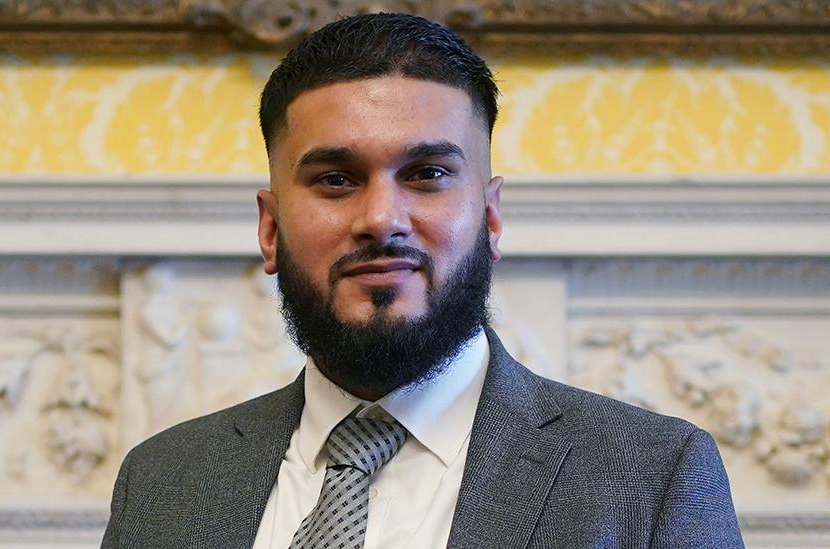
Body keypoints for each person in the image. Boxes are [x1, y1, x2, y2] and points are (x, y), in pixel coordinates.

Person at [101, 13, 743, 549]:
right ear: (270, 229)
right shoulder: (161, 485)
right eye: (335, 180)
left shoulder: (655, 478)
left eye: (428, 174)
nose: (381, 219)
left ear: (491, 217)